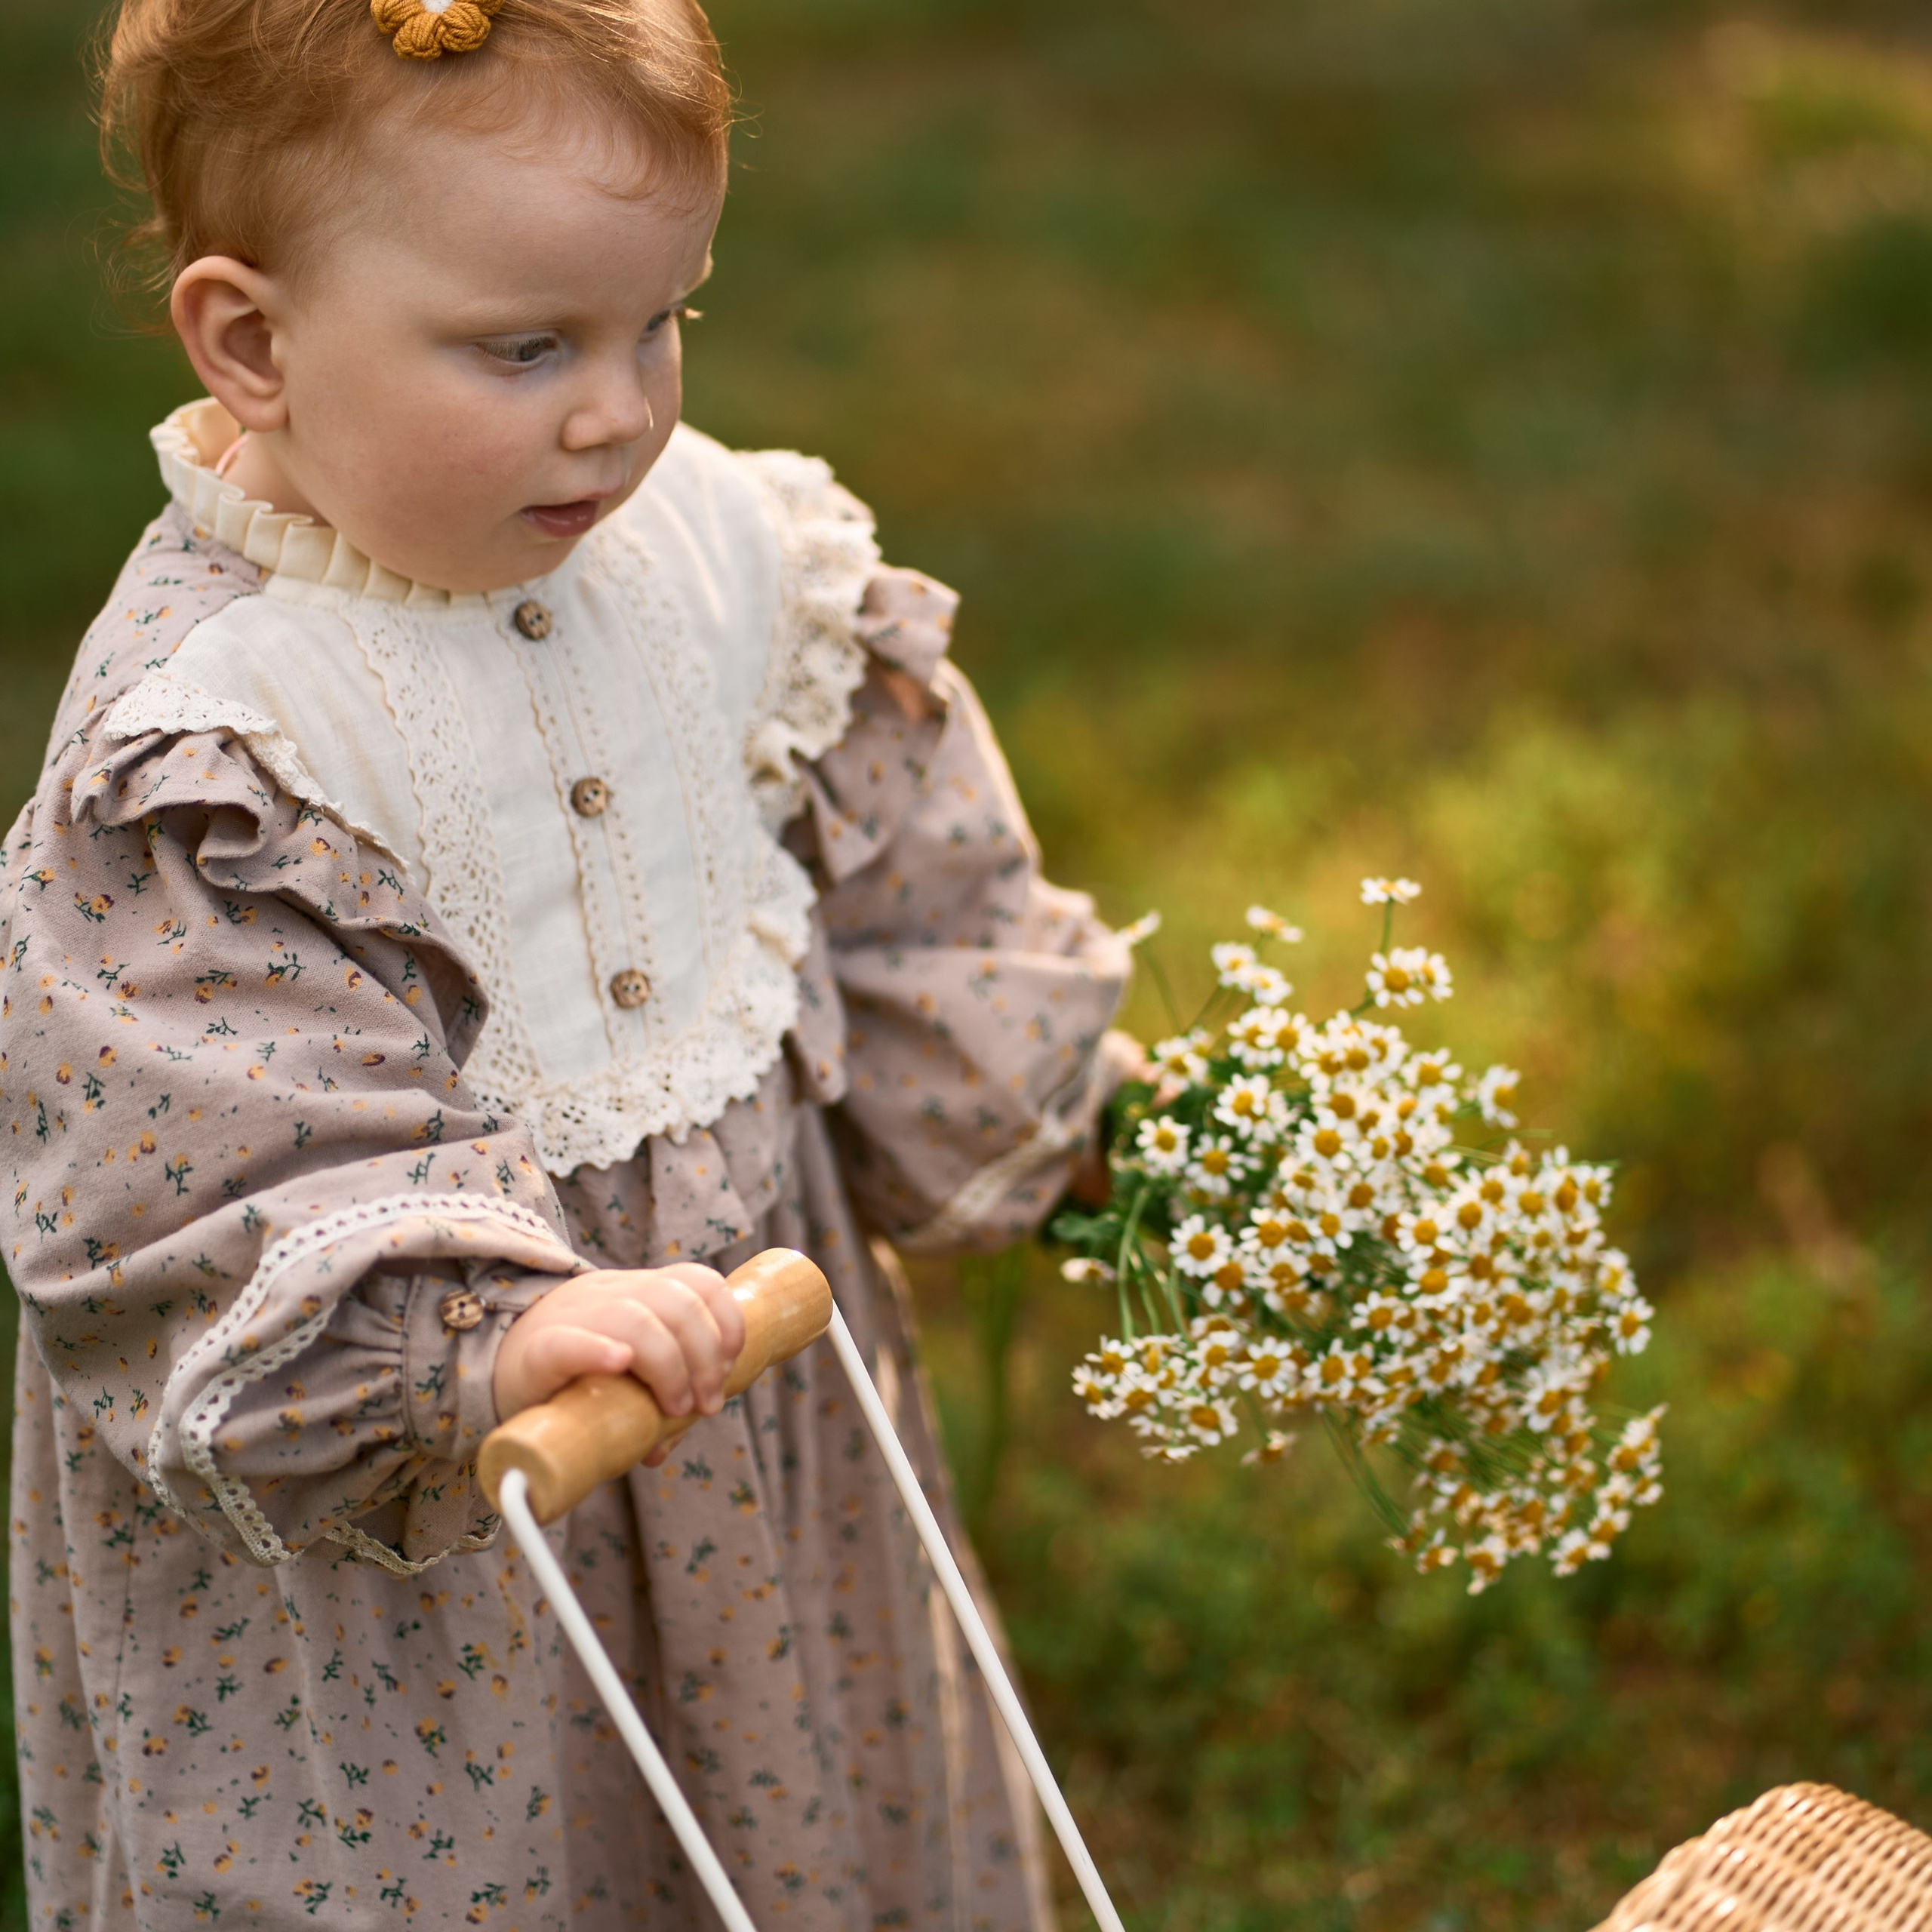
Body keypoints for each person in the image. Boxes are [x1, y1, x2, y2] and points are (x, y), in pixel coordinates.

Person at [2, 2, 1137, 1923]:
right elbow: (212, 1151)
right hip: (448, 1498)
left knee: (782, 1800)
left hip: (747, 1403)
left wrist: (1058, 1110)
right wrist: (479, 1334)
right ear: (252, 344)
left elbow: (898, 884)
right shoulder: (220, 747)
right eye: (525, 348)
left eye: (660, 320)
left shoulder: (726, 553)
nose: (616, 408)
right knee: (495, 1849)